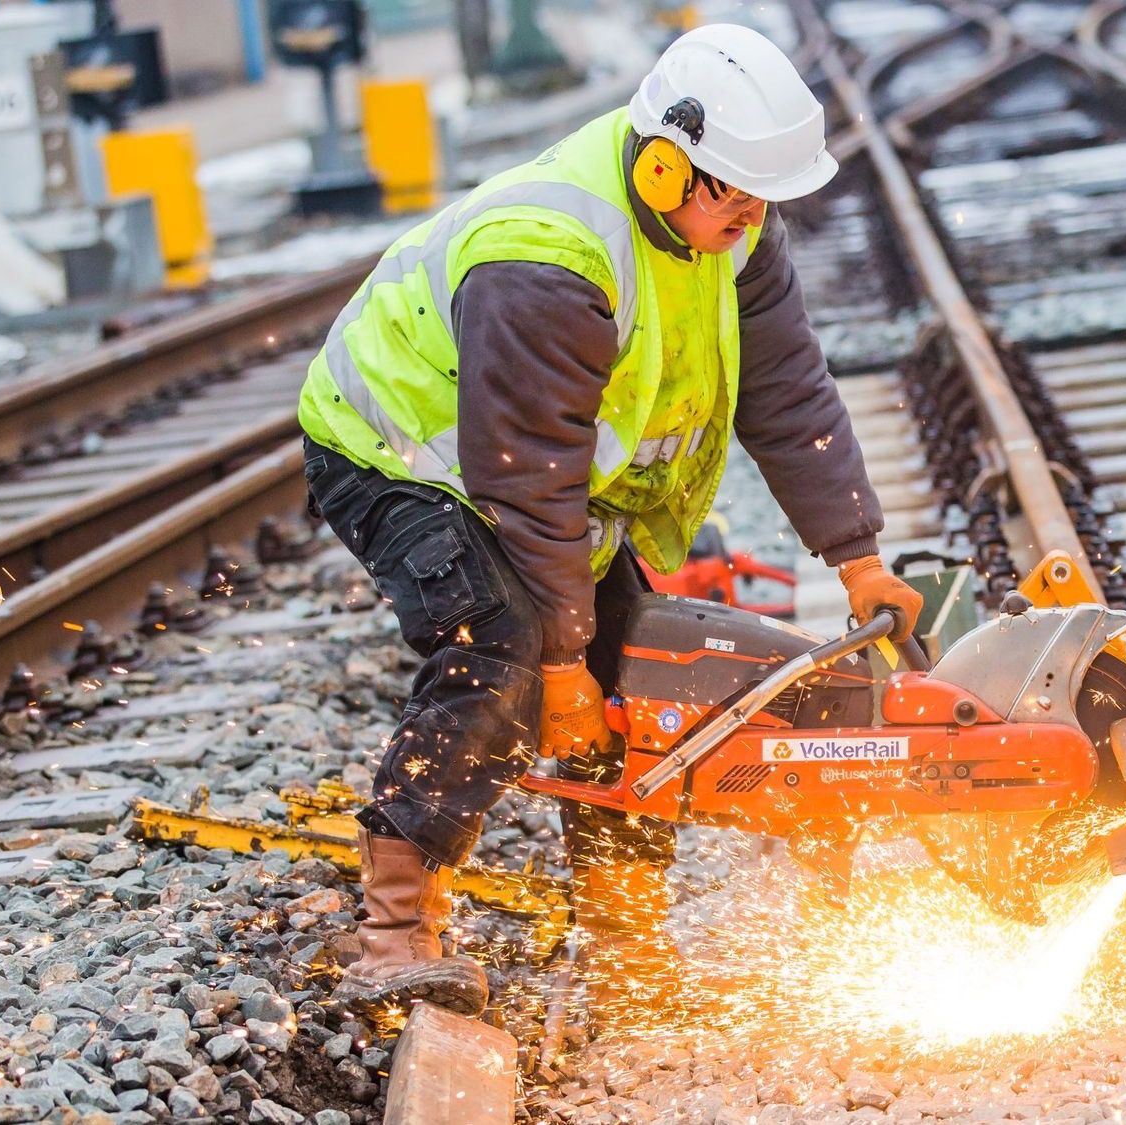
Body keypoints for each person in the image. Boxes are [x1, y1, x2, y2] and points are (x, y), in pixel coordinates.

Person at [295, 23, 925, 1018]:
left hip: (524, 467)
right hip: (398, 455)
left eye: (765, 197)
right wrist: (556, 667)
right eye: (739, 193)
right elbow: (524, 479)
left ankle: (626, 954)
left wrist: (858, 560)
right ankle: (390, 930)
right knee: (500, 648)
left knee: (636, 672)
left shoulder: (735, 226)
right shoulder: (546, 260)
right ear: (667, 165)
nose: (756, 216)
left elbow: (786, 387)